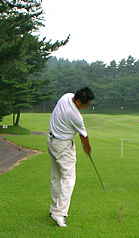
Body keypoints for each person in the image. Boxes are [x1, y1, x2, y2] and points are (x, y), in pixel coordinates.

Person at [47, 87, 95, 227]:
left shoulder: (66, 96)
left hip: (51, 141)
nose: (86, 107)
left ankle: (54, 207)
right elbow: (83, 136)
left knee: (56, 176)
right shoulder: (75, 115)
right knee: (68, 178)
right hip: (63, 146)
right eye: (86, 105)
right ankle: (60, 213)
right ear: (78, 101)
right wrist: (87, 147)